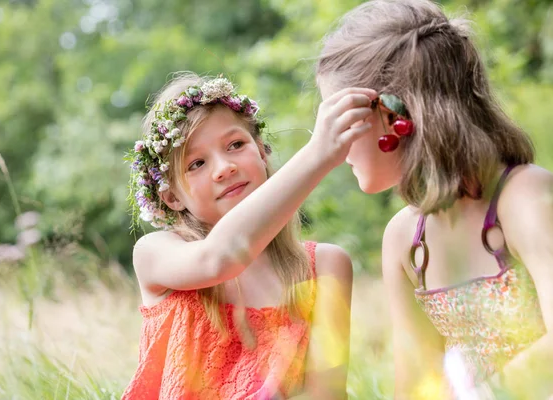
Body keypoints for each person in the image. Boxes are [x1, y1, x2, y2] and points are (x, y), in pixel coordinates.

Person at [316, 0, 553, 399]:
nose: (332, 147)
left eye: (337, 121)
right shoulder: (406, 239)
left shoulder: (524, 197)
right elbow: (416, 388)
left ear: (393, 118)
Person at [121, 72, 374, 399]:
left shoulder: (325, 266)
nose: (224, 167)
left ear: (261, 151)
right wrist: (317, 155)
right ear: (171, 197)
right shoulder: (156, 253)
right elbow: (219, 259)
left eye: (236, 145)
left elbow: (327, 395)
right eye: (196, 163)